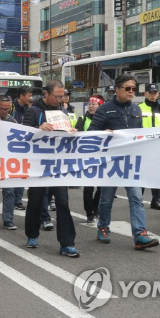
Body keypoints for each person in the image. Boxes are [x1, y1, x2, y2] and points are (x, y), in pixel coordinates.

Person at [89, 73, 159, 250]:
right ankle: (103, 227)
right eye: (127, 88)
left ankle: (140, 234)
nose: (131, 92)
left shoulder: (136, 110)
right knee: (106, 199)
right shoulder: (104, 109)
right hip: (110, 161)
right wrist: (106, 132)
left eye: (134, 89)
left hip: (130, 161)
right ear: (117, 89)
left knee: (136, 197)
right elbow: (91, 132)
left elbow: (140, 132)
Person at [23, 80, 79, 257]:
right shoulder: (34, 111)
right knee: (35, 201)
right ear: (46, 94)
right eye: (57, 96)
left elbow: (66, 134)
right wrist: (37, 129)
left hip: (58, 164)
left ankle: (67, 243)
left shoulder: (63, 112)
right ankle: (32, 234)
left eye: (62, 96)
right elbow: (22, 134)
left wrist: (72, 132)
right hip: (39, 165)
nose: (60, 100)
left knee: (62, 202)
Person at [137, 83, 160, 210]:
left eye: (155, 93)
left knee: (156, 173)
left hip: (158, 145)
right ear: (145, 93)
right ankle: (138, 198)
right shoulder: (138, 108)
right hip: (143, 145)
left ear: (158, 94)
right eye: (150, 93)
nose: (153, 95)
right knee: (143, 173)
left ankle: (156, 200)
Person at [0, 95, 18, 229]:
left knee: (9, 190)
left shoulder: (13, 121)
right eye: (2, 109)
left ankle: (8, 219)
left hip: (7, 160)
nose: (5, 111)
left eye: (7, 109)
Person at [75, 95, 104, 224]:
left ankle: (95, 207)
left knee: (102, 187)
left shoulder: (105, 119)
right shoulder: (82, 119)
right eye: (89, 104)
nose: (91, 106)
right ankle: (89, 213)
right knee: (88, 188)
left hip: (102, 157)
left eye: (94, 104)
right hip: (87, 158)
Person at [11, 85, 33, 211]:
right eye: (29, 96)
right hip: (12, 144)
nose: (31, 98)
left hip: (25, 145)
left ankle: (18, 200)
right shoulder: (11, 107)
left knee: (22, 173)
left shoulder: (29, 108)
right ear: (21, 96)